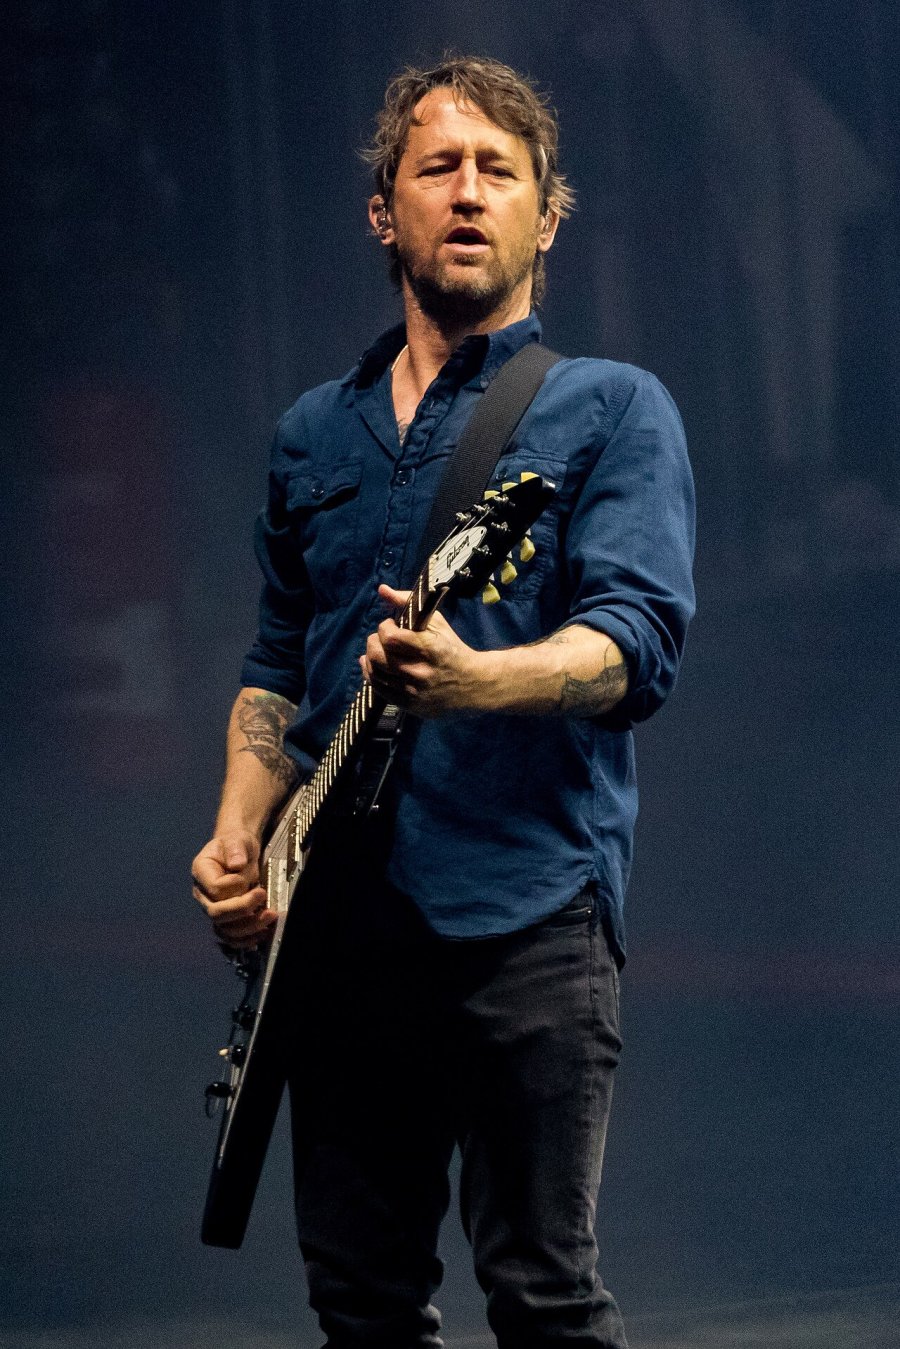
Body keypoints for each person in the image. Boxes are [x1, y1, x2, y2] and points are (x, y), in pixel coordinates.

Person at [192, 55, 695, 1349]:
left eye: (500, 171)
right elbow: (278, 663)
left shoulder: (610, 409)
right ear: (384, 210)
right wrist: (240, 832)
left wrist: (480, 680)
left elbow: (635, 648)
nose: (469, 192)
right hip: (336, 924)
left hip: (527, 909)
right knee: (360, 1307)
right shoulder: (313, 433)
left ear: (548, 215)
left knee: (543, 1293)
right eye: (439, 167)